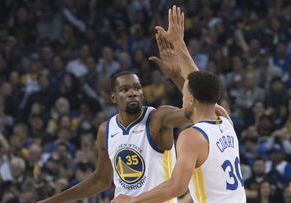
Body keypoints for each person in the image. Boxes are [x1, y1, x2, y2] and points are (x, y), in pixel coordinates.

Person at [36, 5, 203, 202]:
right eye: (125, 90)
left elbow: (200, 108)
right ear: (113, 97)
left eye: (137, 88)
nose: (133, 93)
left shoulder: (158, 118)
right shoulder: (105, 130)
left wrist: (176, 75)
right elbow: (100, 180)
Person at [112, 6, 246, 203]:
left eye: (183, 94)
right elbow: (200, 86)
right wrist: (178, 51)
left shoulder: (192, 136)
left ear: (191, 99)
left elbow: (177, 186)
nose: (181, 97)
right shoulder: (224, 119)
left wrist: (133, 201)